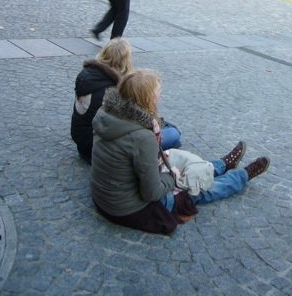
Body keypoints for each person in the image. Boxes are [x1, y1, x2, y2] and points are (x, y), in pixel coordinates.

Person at [90, 69, 270, 235]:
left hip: (105, 198)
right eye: (158, 91)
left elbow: (127, 159)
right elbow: (152, 193)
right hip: (128, 209)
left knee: (177, 167)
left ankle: (221, 165)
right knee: (195, 189)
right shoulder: (142, 137)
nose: (161, 94)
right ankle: (241, 176)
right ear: (147, 99)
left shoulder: (107, 113)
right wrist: (172, 177)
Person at [71, 38, 182, 164]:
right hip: (99, 151)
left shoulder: (88, 75)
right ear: (124, 61)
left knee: (164, 125)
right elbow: (137, 123)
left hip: (82, 141)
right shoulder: (113, 92)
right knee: (173, 133)